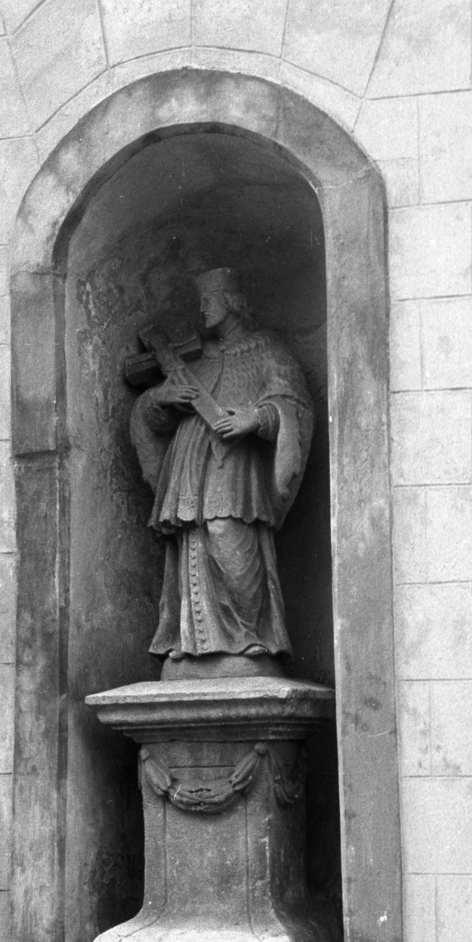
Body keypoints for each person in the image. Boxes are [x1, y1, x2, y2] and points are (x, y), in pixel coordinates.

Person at [130, 267, 313, 665]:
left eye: (208, 301)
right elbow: (152, 417)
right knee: (192, 539)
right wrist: (162, 398)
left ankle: (250, 638)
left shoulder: (267, 350)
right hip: (189, 467)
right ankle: (194, 644)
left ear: (230, 302)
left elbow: (294, 404)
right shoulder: (194, 358)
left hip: (236, 467)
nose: (202, 309)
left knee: (228, 535)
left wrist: (257, 418)